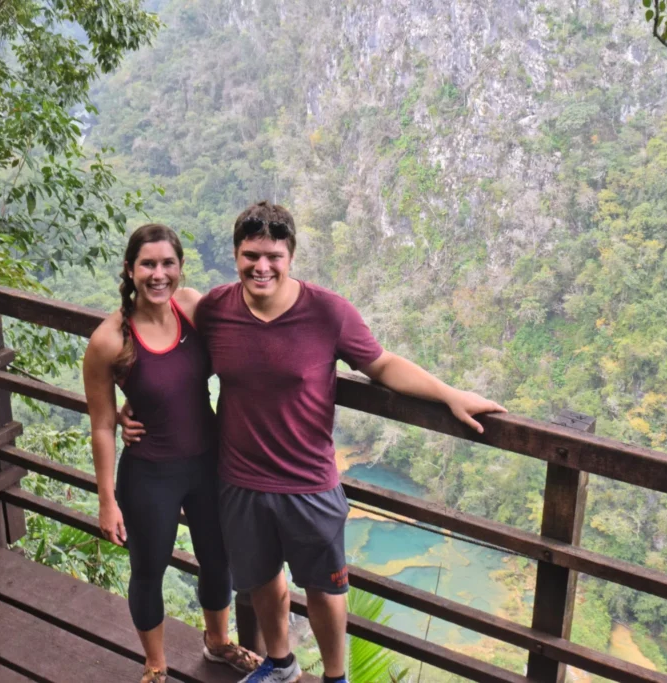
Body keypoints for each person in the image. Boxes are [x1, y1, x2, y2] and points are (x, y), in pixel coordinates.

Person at [121, 203, 506, 683]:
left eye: (273, 256)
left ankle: (334, 677)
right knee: (261, 580)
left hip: (308, 481)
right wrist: (131, 401)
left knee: (325, 589)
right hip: (239, 479)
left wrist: (450, 395)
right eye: (251, 255)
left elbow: (382, 365)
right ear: (236, 255)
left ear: (291, 256)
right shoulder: (215, 309)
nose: (262, 266)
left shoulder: (327, 312)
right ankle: (280, 664)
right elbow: (154, 339)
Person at [83, 223, 261, 683]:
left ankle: (218, 643)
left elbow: (240, 342)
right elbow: (102, 425)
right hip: (150, 473)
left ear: (181, 267)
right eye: (148, 264)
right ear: (129, 269)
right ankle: (156, 666)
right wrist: (106, 500)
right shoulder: (110, 339)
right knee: (149, 568)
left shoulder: (191, 307)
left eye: (167, 264)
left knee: (216, 557)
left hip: (208, 462)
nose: (158, 275)